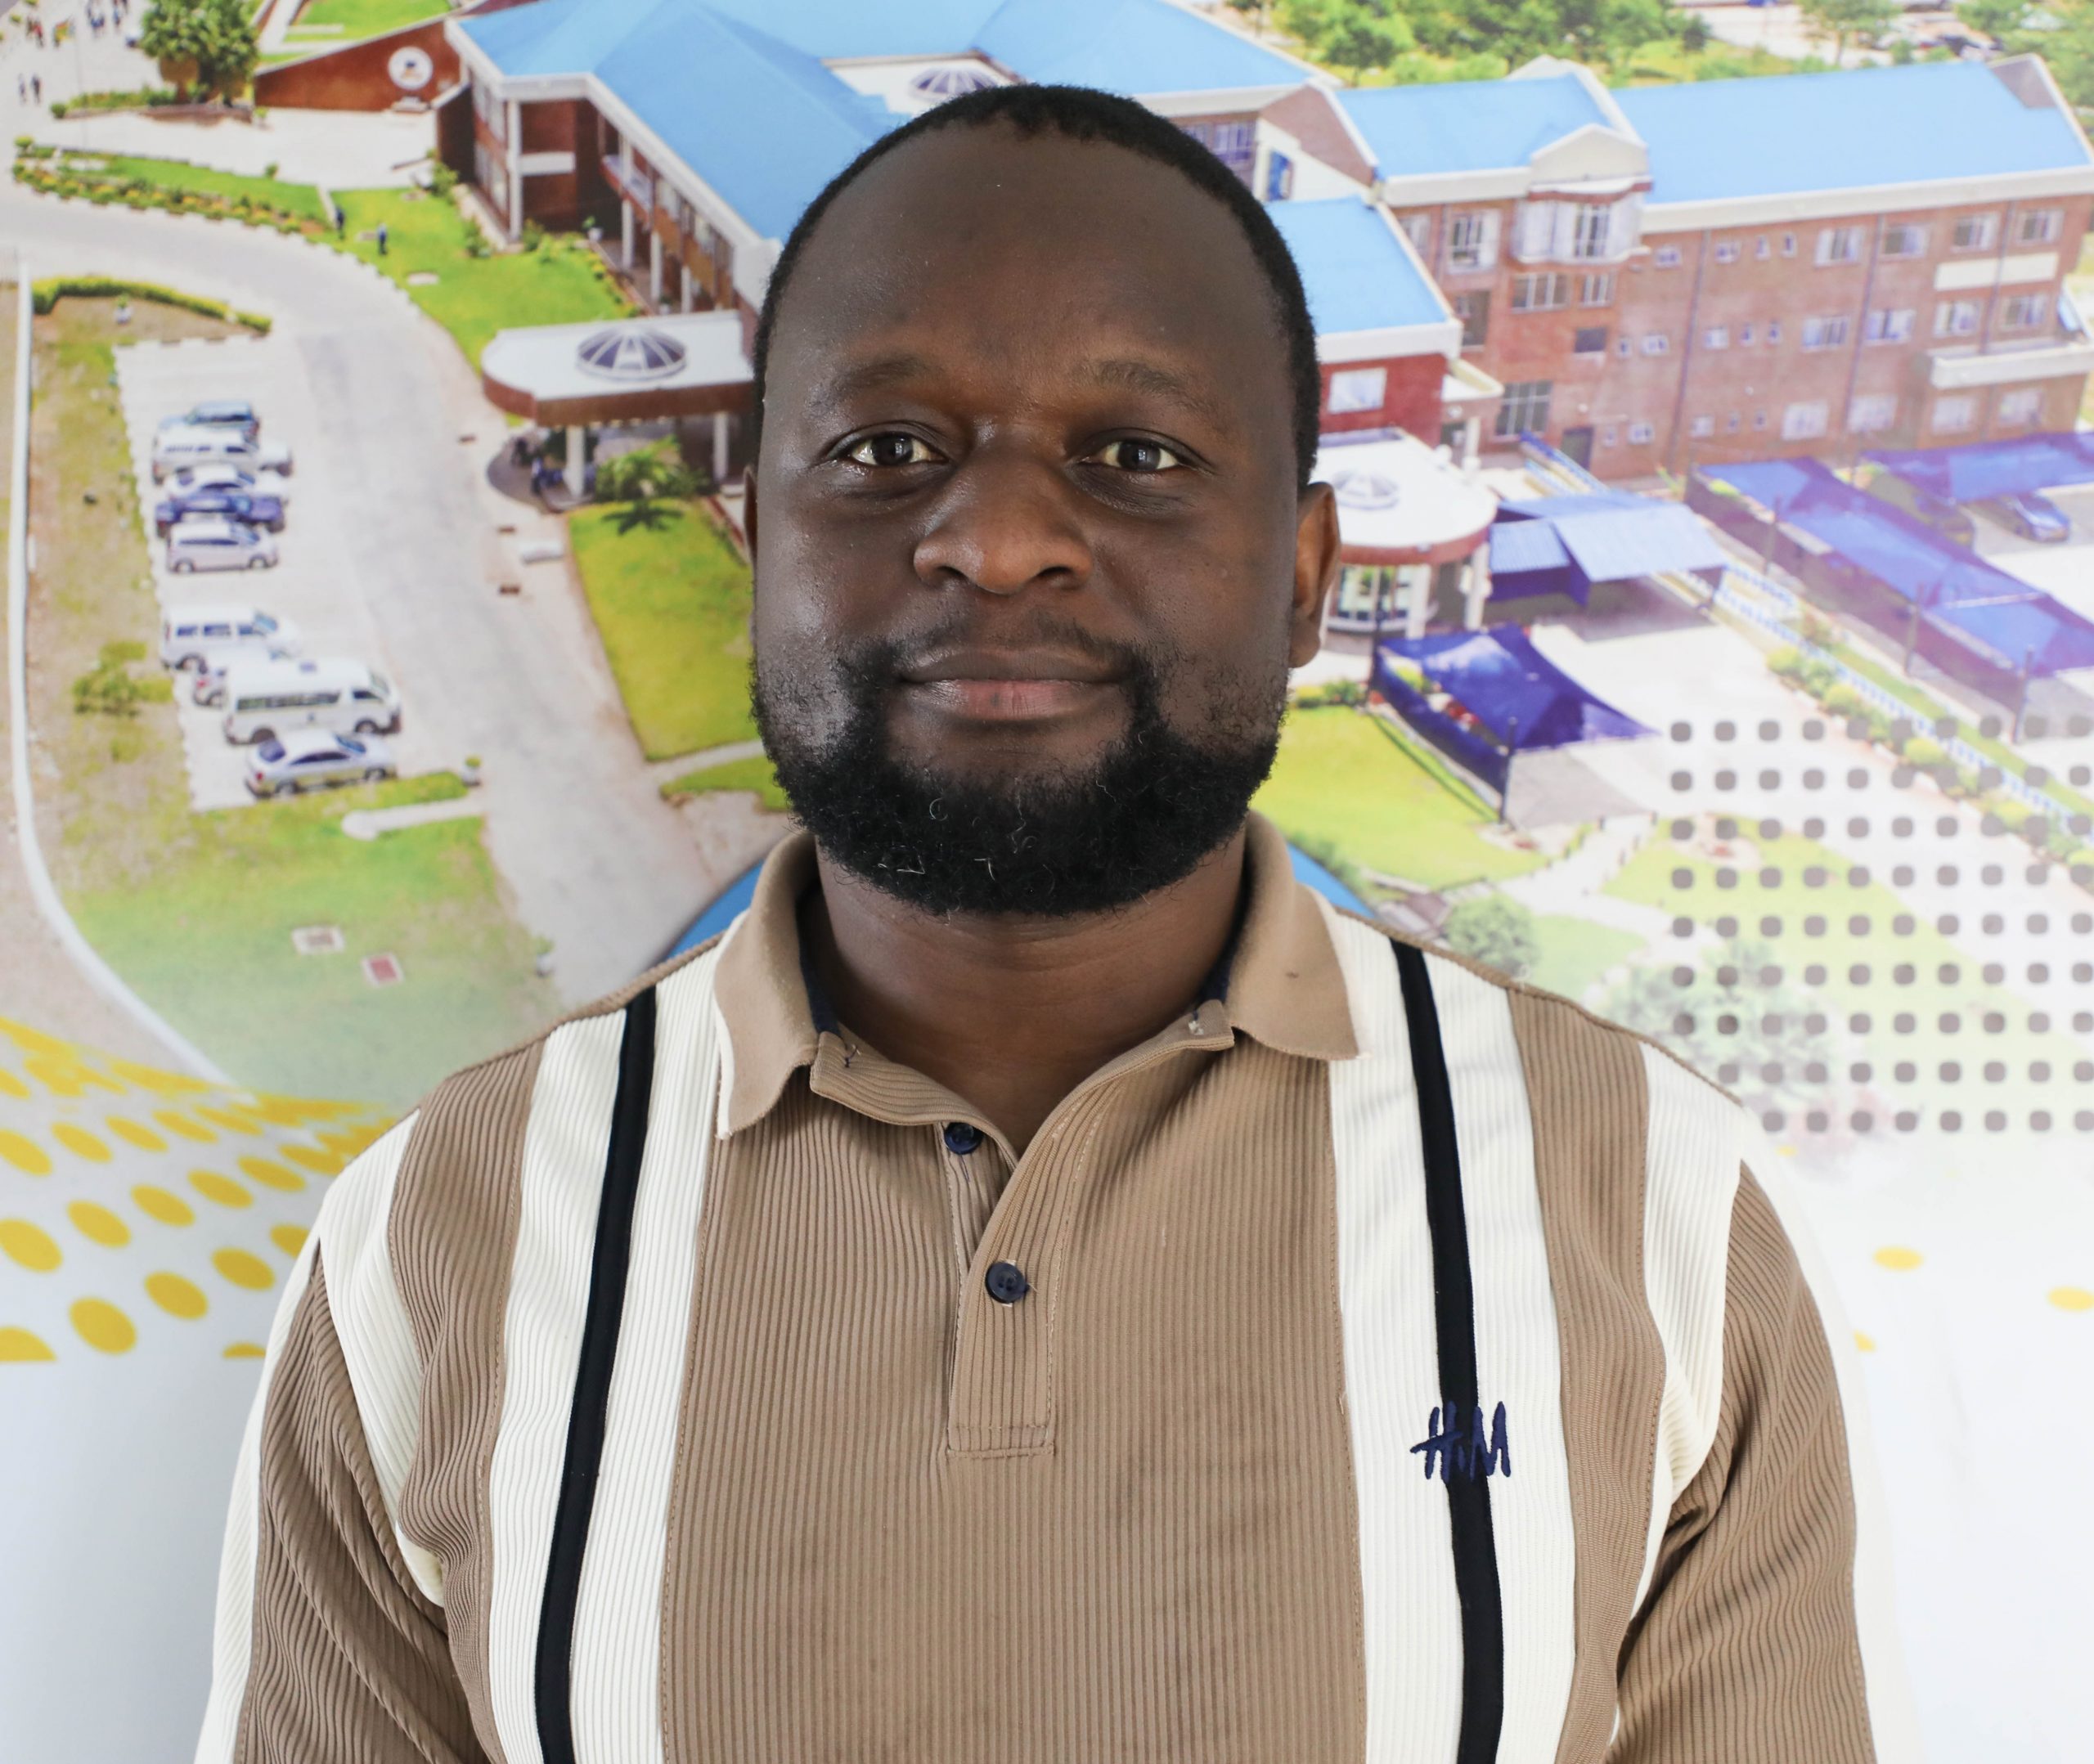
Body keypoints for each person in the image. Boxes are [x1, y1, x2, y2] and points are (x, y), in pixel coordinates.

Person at [192, 84, 1914, 1763]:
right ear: (761, 534)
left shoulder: (1647, 1206)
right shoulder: (447, 1230)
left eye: (1135, 455)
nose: (1002, 540)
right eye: (887, 450)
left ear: (1303, 572)